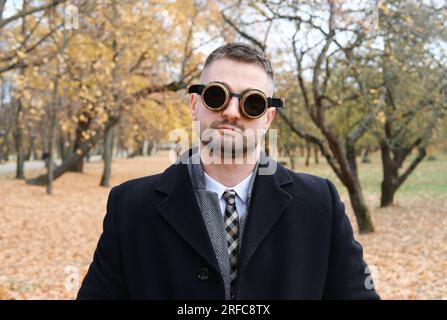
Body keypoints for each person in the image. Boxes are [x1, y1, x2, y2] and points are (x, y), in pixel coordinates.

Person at [77, 42, 379, 300]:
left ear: (269, 117)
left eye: (252, 102)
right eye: (216, 95)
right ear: (195, 104)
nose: (232, 112)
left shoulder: (318, 203)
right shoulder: (132, 205)